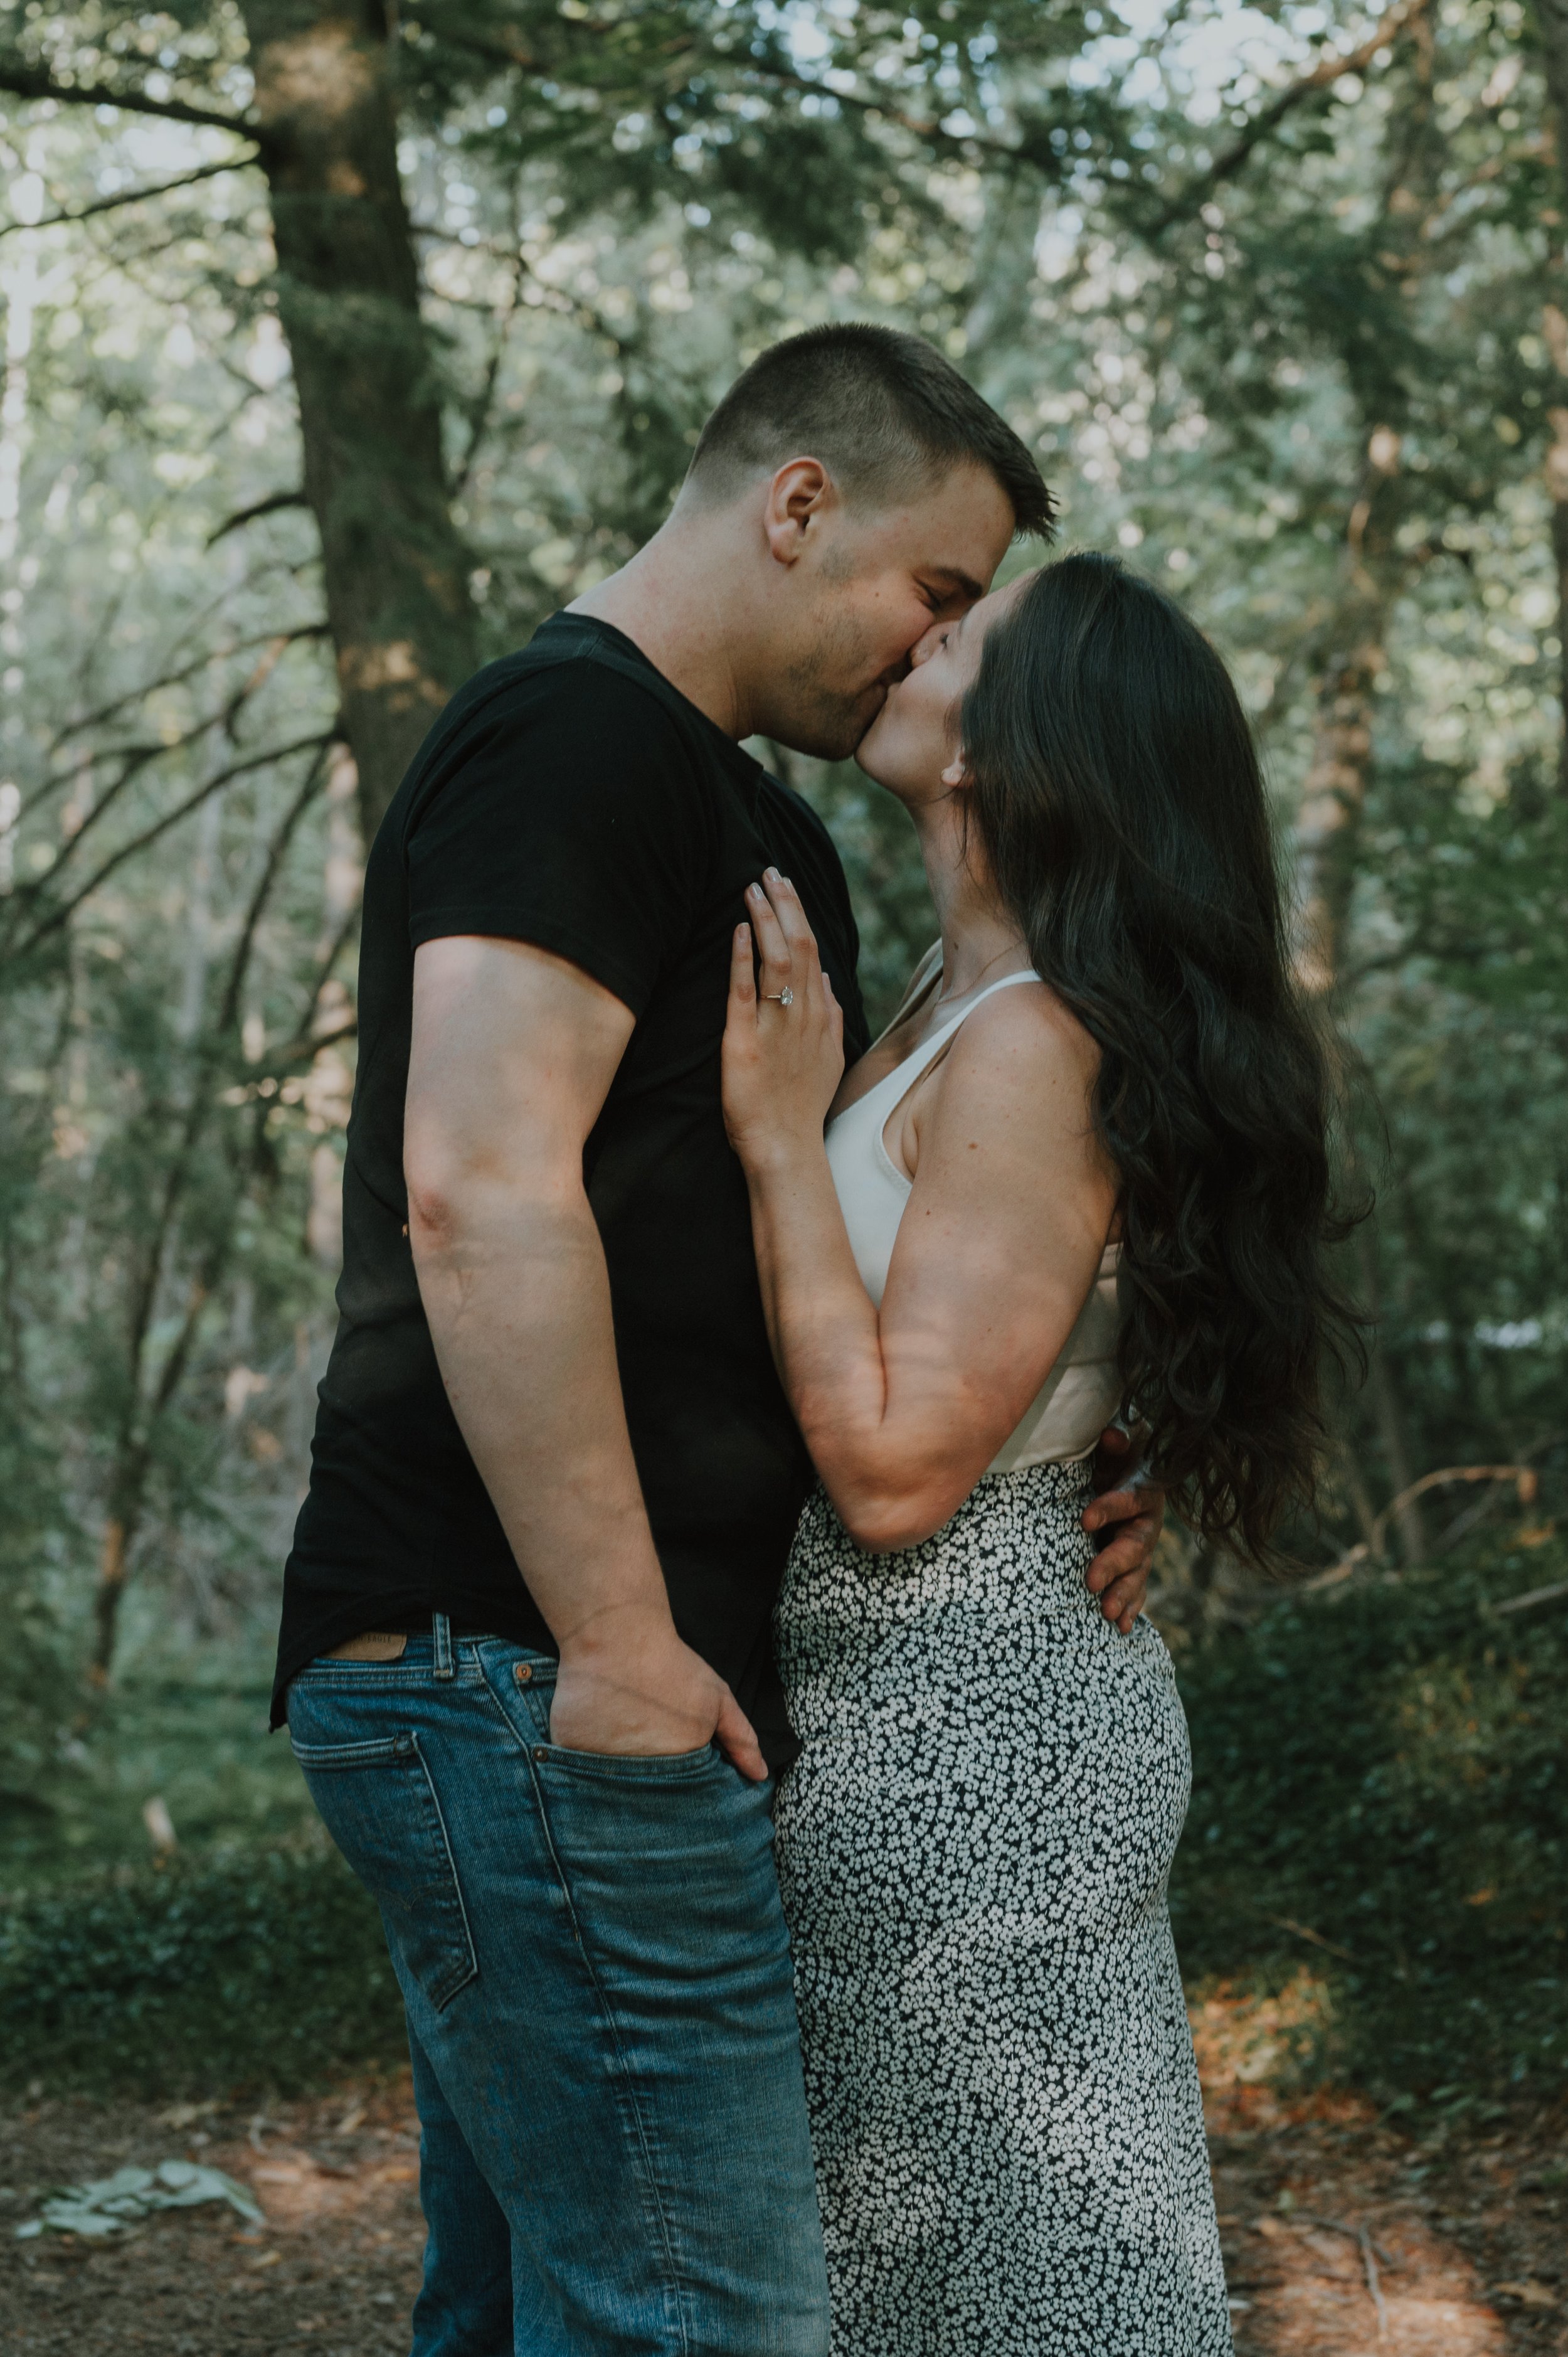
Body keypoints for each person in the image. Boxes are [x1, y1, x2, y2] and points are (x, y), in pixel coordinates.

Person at [272, 330, 1163, 2356]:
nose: (931, 653)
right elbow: (479, 1189)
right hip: (531, 1663)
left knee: (532, 2313)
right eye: (936, 594)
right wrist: (608, 1640)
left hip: (595, 1679)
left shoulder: (759, 827)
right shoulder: (570, 741)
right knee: (712, 2322)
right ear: (795, 507)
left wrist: (1084, 1434)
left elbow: (858, 1247)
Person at [720, 553, 1357, 2353]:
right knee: (947, 2292)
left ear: (1024, 745)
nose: (919, 639)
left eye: (963, 639)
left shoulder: (1026, 1047)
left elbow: (900, 1472)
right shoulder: (954, 996)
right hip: (911, 1720)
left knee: (1025, 2298)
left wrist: (777, 1142)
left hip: (968, 1751)